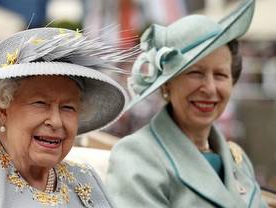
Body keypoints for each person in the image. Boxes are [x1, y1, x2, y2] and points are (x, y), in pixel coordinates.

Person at [0, 27, 134, 207]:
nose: (56, 121)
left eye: (68, 107)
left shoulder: (85, 178)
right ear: (4, 110)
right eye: (40, 103)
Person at [107, 0, 268, 207]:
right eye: (195, 73)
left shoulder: (237, 159)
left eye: (220, 75)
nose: (210, 88)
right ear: (167, 85)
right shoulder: (137, 155)